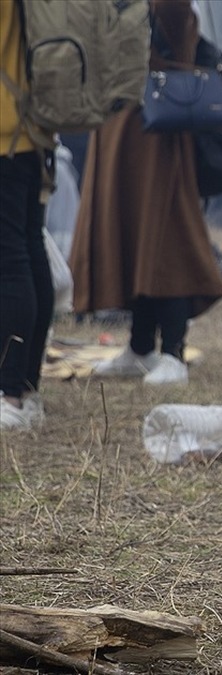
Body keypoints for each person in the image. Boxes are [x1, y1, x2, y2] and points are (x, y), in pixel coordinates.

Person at [71, 0, 222, 386]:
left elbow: (174, 18)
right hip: (120, 132)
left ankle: (173, 351)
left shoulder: (168, 7)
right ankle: (140, 347)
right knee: (135, 241)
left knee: (165, 241)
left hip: (157, 137)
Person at [0, 0, 53, 431]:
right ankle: (26, 389)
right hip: (33, 132)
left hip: (3, 133)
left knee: (10, 259)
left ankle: (9, 393)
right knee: (29, 251)